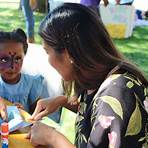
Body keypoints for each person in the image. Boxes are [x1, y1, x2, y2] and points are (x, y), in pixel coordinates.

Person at [27, 3, 148, 148]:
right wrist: (62, 101)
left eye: (47, 52)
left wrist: (52, 138)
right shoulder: (98, 78)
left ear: (68, 54)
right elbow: (97, 116)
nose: (48, 60)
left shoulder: (118, 94)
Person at [0, 28, 50, 121]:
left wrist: (24, 114)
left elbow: (38, 114)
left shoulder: (31, 83)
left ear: (24, 56)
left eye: (17, 59)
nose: (12, 66)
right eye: (4, 59)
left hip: (22, 132)